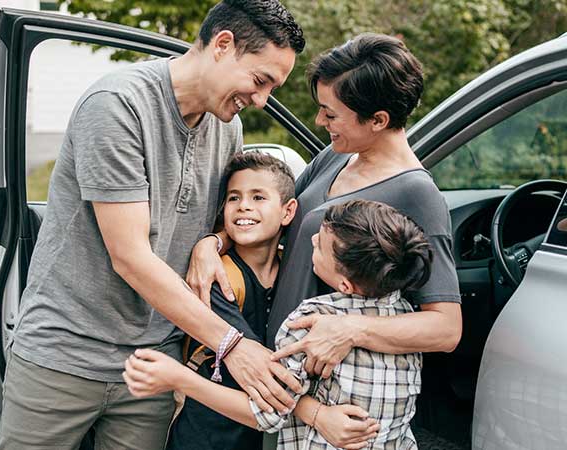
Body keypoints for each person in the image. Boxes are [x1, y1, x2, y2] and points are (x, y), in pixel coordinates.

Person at [0, 1, 306, 449]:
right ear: (223, 45)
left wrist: (210, 242)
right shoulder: (117, 106)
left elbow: (217, 220)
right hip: (64, 354)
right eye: (260, 81)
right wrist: (233, 346)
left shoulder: (227, 128)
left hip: (151, 363)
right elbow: (131, 258)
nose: (259, 101)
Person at [186, 33, 463, 448]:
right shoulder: (336, 155)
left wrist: (349, 328)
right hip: (269, 370)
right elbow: (274, 218)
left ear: (379, 120)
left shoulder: (417, 195)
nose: (320, 122)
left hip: (329, 398)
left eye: (331, 114)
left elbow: (445, 327)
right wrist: (213, 243)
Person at [125, 199, 433, 449]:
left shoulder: (311, 321)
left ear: (344, 284)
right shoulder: (406, 315)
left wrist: (179, 378)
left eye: (321, 245)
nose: (312, 238)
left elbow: (265, 415)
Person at [167, 151, 298, 450]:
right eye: (234, 198)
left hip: (254, 435)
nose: (244, 206)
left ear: (287, 211)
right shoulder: (216, 276)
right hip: (204, 435)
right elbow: (262, 374)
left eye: (258, 197)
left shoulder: (292, 273)